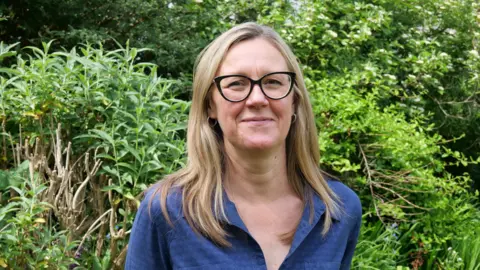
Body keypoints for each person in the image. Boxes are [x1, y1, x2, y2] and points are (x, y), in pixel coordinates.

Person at [125, 22, 362, 270]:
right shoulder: (166, 210)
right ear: (210, 105)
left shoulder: (339, 210)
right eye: (236, 83)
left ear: (294, 101)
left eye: (273, 82)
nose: (258, 99)